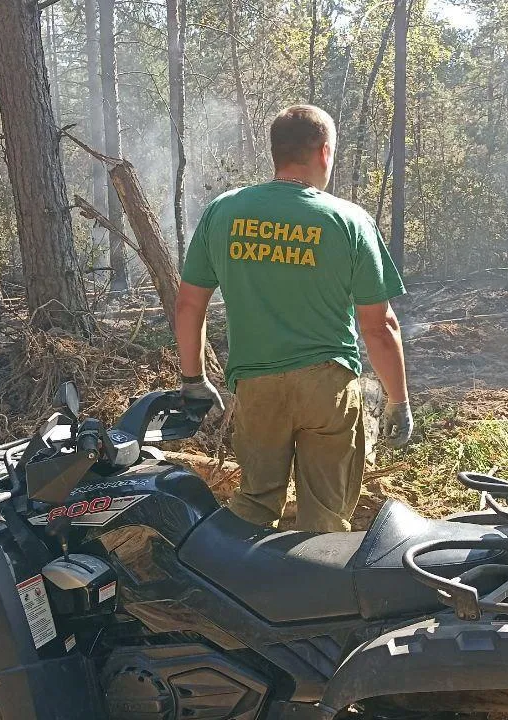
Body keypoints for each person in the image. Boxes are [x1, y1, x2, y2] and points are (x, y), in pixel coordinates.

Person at [174, 104, 412, 533]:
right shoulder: (350, 221)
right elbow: (380, 327)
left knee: (254, 503)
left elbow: (189, 305)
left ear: (276, 153)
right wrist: (398, 400)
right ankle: (320, 592)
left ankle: (241, 587)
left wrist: (193, 379)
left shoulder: (223, 212)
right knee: (326, 516)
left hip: (256, 385)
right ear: (324, 152)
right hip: (328, 389)